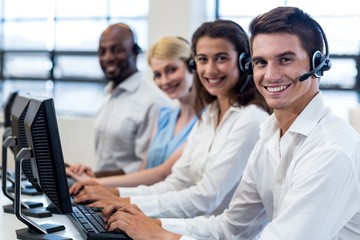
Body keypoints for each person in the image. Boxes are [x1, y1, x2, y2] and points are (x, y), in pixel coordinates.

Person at [101, 7, 360, 240]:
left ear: (317, 63)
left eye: (285, 59)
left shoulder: (331, 151)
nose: (270, 75)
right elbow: (231, 228)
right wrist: (152, 224)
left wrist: (161, 237)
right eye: (260, 62)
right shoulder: (269, 135)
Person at [69, 20, 271, 221]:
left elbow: (205, 197)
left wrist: (123, 201)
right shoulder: (209, 115)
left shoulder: (251, 119)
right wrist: (116, 195)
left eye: (221, 58)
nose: (209, 70)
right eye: (202, 59)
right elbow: (177, 181)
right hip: (189, 227)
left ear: (245, 61)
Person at [68, 36, 198, 187]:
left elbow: (161, 174)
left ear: (192, 66)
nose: (164, 81)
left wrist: (94, 182)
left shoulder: (205, 120)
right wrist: (92, 178)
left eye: (172, 70)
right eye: (157, 75)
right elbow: (144, 171)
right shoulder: (165, 117)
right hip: (143, 200)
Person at [66, 23, 172, 178]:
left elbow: (146, 167)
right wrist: (86, 175)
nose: (107, 57)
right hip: (101, 189)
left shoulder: (153, 102)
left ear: (135, 52)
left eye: (117, 50)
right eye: (102, 52)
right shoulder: (110, 93)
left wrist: (94, 178)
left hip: (127, 196)